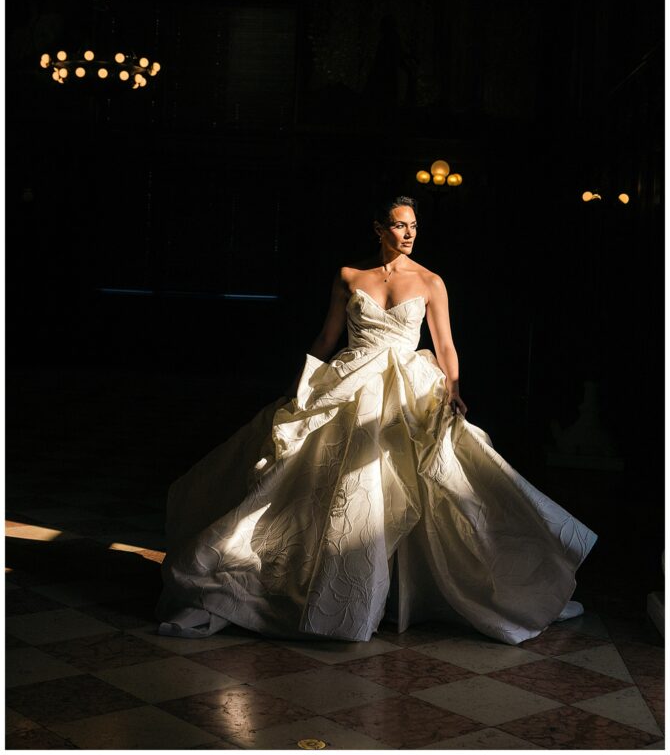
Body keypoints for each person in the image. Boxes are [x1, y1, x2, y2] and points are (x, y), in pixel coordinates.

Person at [156, 196, 596, 645]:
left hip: (408, 387)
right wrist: (297, 388)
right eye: (400, 225)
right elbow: (327, 337)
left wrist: (455, 390)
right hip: (351, 382)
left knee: (433, 486)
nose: (409, 233)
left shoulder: (430, 281)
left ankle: (491, 589)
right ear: (378, 229)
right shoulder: (350, 276)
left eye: (414, 226)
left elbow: (445, 345)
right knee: (321, 485)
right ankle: (296, 589)